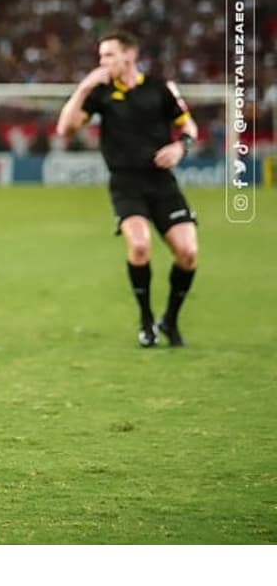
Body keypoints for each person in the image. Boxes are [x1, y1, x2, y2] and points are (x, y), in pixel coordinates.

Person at [56, 30, 199, 348]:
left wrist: (181, 148)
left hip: (162, 182)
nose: (102, 62)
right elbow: (65, 127)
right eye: (101, 56)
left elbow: (188, 126)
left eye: (108, 55)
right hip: (126, 183)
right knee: (139, 246)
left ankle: (170, 320)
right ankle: (146, 321)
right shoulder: (102, 92)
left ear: (129, 56)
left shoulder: (160, 88)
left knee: (188, 253)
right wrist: (84, 87)